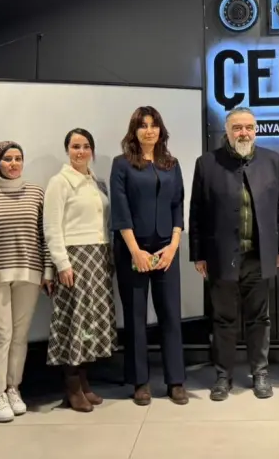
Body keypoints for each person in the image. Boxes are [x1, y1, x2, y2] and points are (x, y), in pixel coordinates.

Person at [189, 107, 279, 402]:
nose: (244, 133)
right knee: (223, 320)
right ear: (227, 132)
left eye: (248, 127)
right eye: (237, 128)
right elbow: (197, 212)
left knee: (259, 319)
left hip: (258, 256)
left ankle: (260, 373)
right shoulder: (207, 163)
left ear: (256, 130)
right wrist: (198, 254)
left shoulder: (272, 161)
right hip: (221, 257)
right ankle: (223, 376)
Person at [0, 142, 52, 422]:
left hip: (29, 272)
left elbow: (45, 234)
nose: (14, 164)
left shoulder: (36, 193)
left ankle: (14, 388)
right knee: (0, 336)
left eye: (18, 158)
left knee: (19, 335)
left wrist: (48, 271)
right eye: (7, 159)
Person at [110, 107, 188, 406]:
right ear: (134, 131)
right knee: (135, 317)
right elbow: (120, 211)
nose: (149, 130)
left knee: (170, 315)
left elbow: (178, 205)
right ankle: (140, 381)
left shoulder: (171, 164)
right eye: (143, 126)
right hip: (133, 249)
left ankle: (175, 381)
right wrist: (135, 251)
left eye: (154, 125)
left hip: (167, 249)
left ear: (160, 130)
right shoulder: (122, 164)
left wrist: (174, 245)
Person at [43, 128, 118, 413]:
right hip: (74, 258)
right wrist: (61, 264)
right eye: (75, 146)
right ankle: (72, 387)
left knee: (90, 323)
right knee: (75, 321)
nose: (81, 151)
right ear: (67, 150)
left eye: (86, 146)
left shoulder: (97, 182)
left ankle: (85, 383)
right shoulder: (59, 182)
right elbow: (51, 227)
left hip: (98, 256)